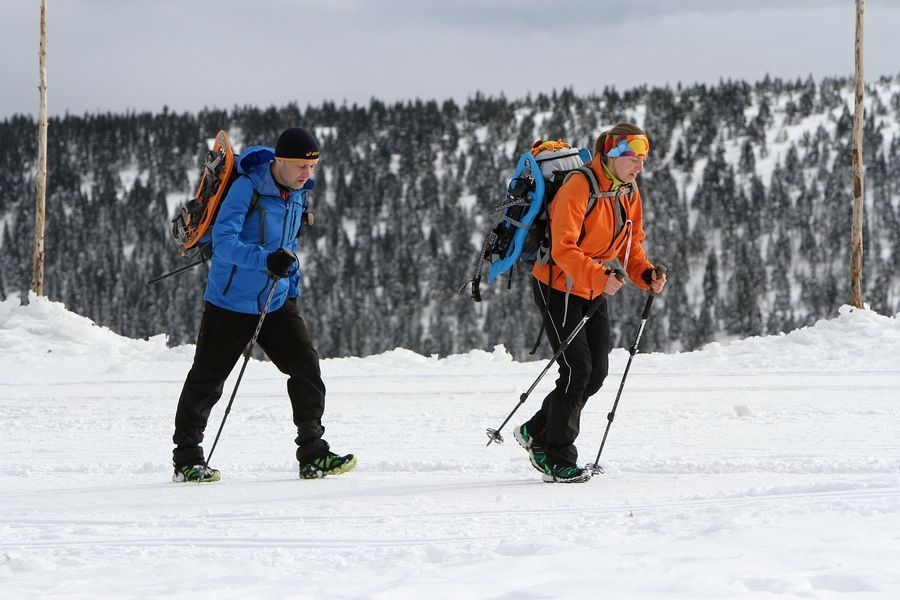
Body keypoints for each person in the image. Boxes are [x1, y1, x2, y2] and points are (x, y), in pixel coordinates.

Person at [170, 127, 357, 482]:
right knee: (207, 379)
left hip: (276, 299)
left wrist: (292, 289)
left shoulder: (298, 196)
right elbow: (224, 243)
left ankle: (313, 454)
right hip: (230, 301)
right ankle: (187, 458)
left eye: (313, 167)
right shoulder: (247, 189)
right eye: (302, 166)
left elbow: (289, 249)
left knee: (306, 367)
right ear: (279, 162)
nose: (308, 174)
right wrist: (265, 259)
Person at [514, 123, 667, 483]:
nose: (640, 167)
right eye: (634, 159)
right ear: (612, 155)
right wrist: (600, 277)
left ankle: (536, 430)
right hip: (557, 286)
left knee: (595, 373)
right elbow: (564, 249)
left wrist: (644, 273)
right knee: (577, 371)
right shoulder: (578, 186)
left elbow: (631, 245)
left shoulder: (627, 191)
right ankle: (556, 456)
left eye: (643, 159)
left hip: (594, 287)